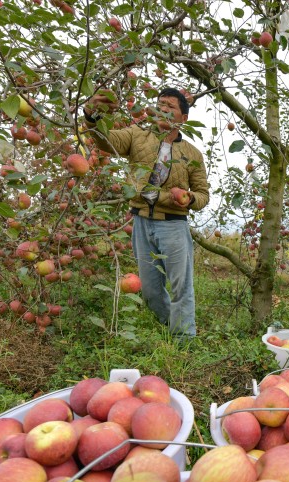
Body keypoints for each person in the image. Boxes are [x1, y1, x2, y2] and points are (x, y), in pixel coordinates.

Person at [83, 88, 210, 337]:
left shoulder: (192, 154)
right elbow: (105, 140)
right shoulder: (137, 134)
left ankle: (184, 339)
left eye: (170, 106)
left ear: (184, 117)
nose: (163, 109)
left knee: (181, 285)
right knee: (151, 289)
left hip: (173, 224)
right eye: (160, 104)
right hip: (141, 221)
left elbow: (203, 194)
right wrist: (92, 116)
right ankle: (167, 328)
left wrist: (190, 198)